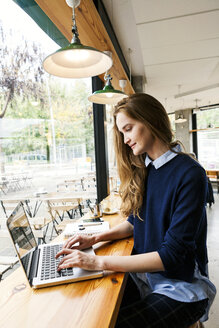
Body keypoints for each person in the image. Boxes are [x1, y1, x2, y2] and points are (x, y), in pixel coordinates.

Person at [56, 93, 216, 328]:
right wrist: (95, 238)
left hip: (181, 287)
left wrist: (99, 262)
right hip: (146, 278)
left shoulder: (190, 173)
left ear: (150, 120)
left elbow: (171, 256)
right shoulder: (147, 168)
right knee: (88, 311)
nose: (126, 139)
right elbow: (135, 221)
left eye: (128, 129)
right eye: (122, 133)